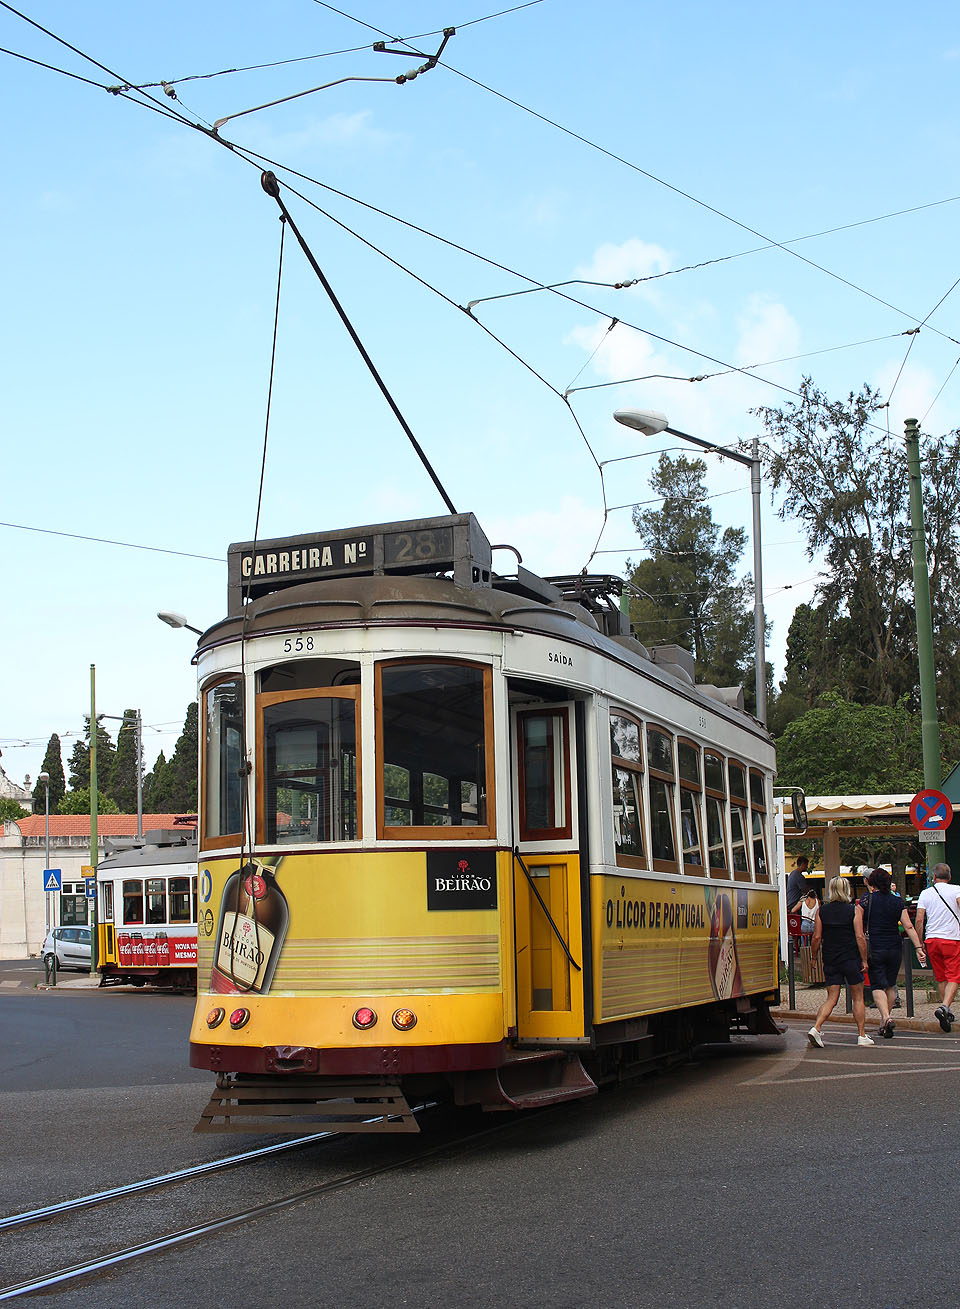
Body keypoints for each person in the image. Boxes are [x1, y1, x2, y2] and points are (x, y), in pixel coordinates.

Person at [859, 867, 926, 1038]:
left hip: (875, 946)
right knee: (889, 984)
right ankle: (885, 1021)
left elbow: (858, 926)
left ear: (871, 882)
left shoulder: (867, 900)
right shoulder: (897, 901)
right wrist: (918, 947)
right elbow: (908, 926)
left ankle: (886, 1018)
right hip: (895, 947)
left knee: (876, 985)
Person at [808, 876, 874, 1048]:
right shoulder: (854, 910)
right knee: (858, 997)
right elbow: (860, 937)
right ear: (847, 890)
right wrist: (864, 959)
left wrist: (814, 957)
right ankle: (861, 1035)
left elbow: (816, 937)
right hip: (851, 958)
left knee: (831, 998)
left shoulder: (822, 911)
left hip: (830, 958)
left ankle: (816, 1028)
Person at [915, 862, 960, 1032]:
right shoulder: (956, 889)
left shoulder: (925, 893)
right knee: (954, 976)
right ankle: (944, 1007)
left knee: (940, 977)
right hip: (952, 939)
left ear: (933, 877)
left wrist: (920, 943)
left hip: (932, 939)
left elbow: (919, 920)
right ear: (949, 877)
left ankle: (946, 1011)